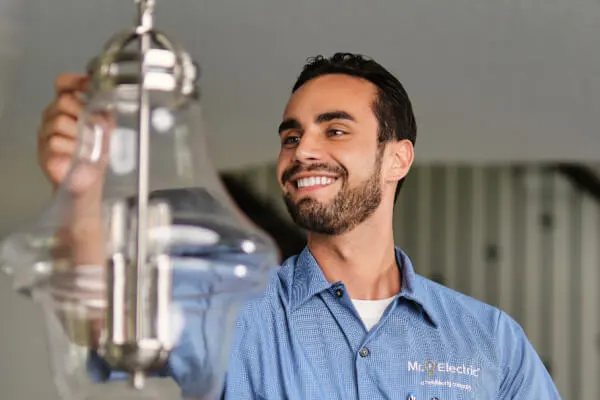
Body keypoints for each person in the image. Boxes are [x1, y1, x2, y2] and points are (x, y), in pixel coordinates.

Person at [38, 53, 561, 399]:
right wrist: (81, 189)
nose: (303, 150)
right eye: (291, 137)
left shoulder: (489, 341)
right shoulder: (229, 310)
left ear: (397, 158)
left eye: (335, 130)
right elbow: (103, 323)